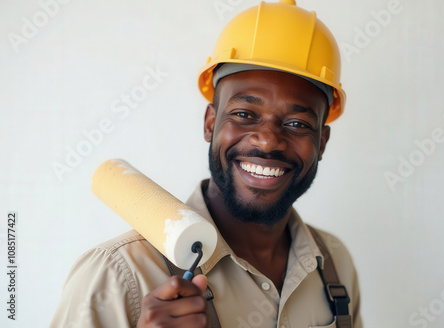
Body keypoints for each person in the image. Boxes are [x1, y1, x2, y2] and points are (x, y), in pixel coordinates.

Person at [51, 1, 363, 327]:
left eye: (298, 124)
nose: (268, 141)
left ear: (322, 142)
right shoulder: (118, 275)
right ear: (210, 123)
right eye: (244, 114)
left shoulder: (333, 264)